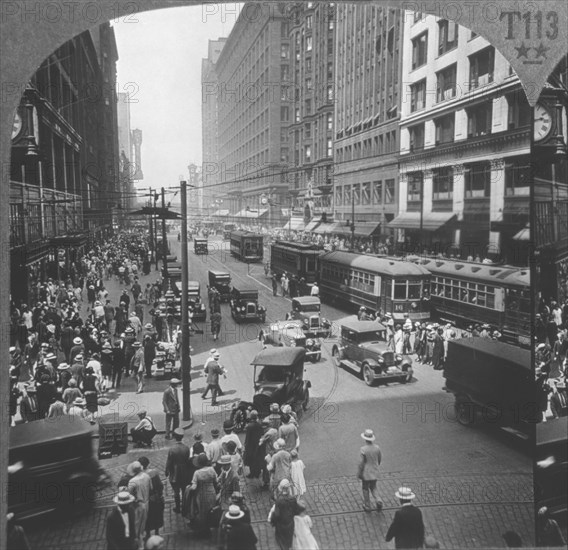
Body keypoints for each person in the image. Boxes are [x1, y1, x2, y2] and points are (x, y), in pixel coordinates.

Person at [183, 453, 219, 536]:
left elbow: (194, 487)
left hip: (201, 494)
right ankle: (210, 526)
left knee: (201, 511)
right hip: (211, 492)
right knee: (211, 510)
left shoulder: (197, 473)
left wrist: (189, 488)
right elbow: (216, 481)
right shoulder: (211, 469)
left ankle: (204, 529)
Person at [138, 456, 165, 539]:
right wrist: (159, 494)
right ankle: (157, 532)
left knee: (147, 517)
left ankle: (148, 533)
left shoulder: (138, 476)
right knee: (156, 514)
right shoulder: (154, 472)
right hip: (154, 498)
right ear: (148, 464)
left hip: (144, 499)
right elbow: (160, 485)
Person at [165, 428, 191, 513]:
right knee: (184, 490)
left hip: (175, 472)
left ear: (175, 437)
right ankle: (184, 507)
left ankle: (177, 508)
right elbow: (188, 460)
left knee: (176, 491)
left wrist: (167, 471)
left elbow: (169, 461)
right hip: (184, 471)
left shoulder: (172, 449)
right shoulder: (186, 448)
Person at [270, 479, 301, 550]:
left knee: (282, 542)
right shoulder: (293, 499)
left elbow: (277, 515)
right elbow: (296, 511)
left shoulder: (279, 501)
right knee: (289, 540)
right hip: (290, 523)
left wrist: (273, 522)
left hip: (281, 525)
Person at [127, 461, 152, 550]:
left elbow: (129, 495)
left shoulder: (132, 482)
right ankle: (142, 537)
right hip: (147, 502)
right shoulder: (147, 476)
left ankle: (140, 545)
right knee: (143, 523)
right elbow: (151, 488)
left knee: (137, 526)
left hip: (138, 506)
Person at [358, 429, 383, 512]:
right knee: (373, 487)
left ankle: (367, 506)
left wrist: (359, 472)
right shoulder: (377, 448)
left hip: (366, 472)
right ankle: (378, 500)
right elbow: (379, 459)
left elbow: (362, 462)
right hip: (375, 471)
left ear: (365, 439)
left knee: (365, 488)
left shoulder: (363, 449)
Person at [244, 410, 265, 479]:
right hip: (258, 444)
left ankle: (252, 473)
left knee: (251, 459)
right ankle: (257, 472)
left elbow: (247, 438)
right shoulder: (259, 425)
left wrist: (246, 445)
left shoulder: (249, 426)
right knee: (257, 459)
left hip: (251, 445)